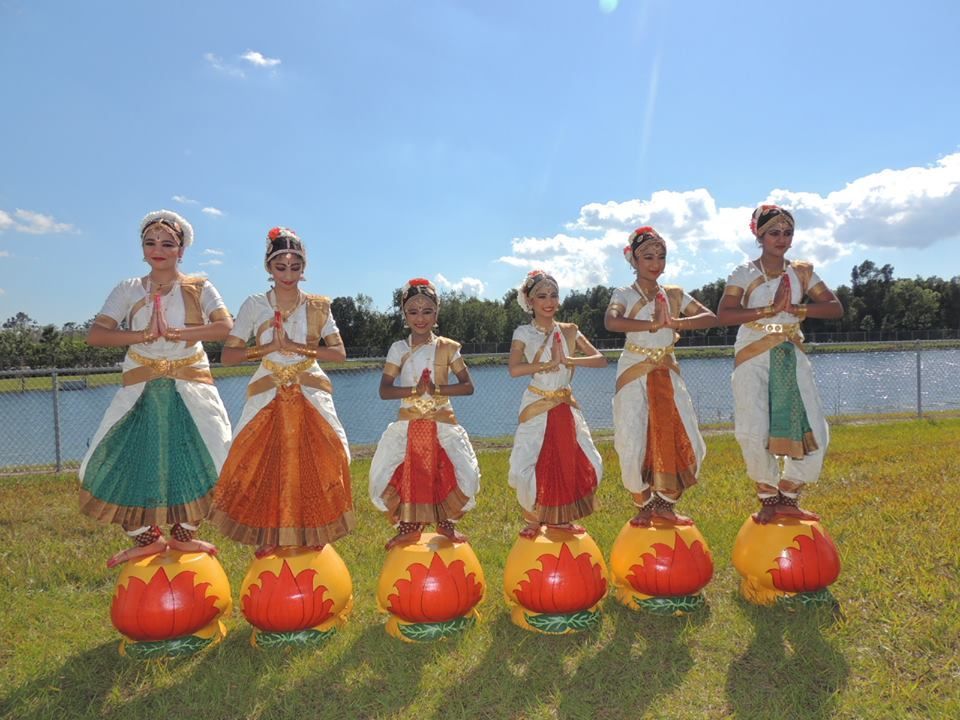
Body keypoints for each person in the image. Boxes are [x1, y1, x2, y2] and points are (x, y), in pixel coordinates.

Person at [80, 210, 233, 568]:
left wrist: (178, 334)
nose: (158, 249)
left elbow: (225, 327)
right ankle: (146, 538)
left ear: (182, 250)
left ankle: (184, 535)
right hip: (140, 386)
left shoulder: (199, 287)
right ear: (142, 249)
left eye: (168, 243)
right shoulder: (128, 289)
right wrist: (143, 336)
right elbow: (97, 334)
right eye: (150, 243)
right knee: (106, 463)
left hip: (191, 385)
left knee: (216, 457)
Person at [209, 227, 354, 556]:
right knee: (261, 459)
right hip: (268, 388)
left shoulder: (318, 306)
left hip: (309, 387)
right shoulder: (254, 305)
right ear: (268, 268)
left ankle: (314, 527)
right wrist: (268, 348)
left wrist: (296, 347)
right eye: (280, 266)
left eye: (295, 266)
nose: (288, 274)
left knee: (325, 456)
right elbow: (228, 356)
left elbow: (339, 354)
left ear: (304, 269)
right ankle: (269, 532)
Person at [716, 205, 843, 523]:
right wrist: (768, 310)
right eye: (774, 232)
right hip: (753, 352)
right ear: (759, 234)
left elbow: (834, 307)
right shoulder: (744, 273)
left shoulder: (802, 272)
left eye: (788, 233)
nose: (782, 239)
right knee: (752, 428)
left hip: (790, 350)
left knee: (814, 428)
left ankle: (788, 492)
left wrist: (797, 310)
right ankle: (767, 495)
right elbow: (725, 314)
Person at [604, 226, 718, 526]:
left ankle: (665, 503)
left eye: (661, 256)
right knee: (632, 438)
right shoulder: (625, 294)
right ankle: (643, 504)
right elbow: (612, 322)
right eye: (648, 257)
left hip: (666, 369)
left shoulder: (675, 295)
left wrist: (675, 321)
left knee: (686, 437)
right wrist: (652, 326)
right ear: (633, 260)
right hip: (634, 369)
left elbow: (710, 317)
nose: (656, 263)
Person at [368, 278, 480, 550]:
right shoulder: (399, 349)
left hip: (443, 419)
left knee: (461, 473)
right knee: (398, 472)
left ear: (437, 313)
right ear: (404, 315)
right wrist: (415, 390)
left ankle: (447, 521)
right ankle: (408, 525)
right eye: (413, 311)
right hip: (410, 421)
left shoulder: (449, 348)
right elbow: (384, 390)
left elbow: (468, 387)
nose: (421, 318)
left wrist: (437, 388)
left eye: (427, 311)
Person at [507, 270, 607, 539]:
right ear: (529, 301)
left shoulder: (569, 330)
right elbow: (514, 369)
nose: (548, 301)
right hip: (538, 401)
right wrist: (547, 364)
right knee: (531, 460)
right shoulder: (523, 333)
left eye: (553, 295)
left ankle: (563, 519)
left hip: (563, 402)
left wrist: (570, 361)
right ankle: (533, 517)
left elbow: (600, 359)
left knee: (569, 458)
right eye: (541, 296)